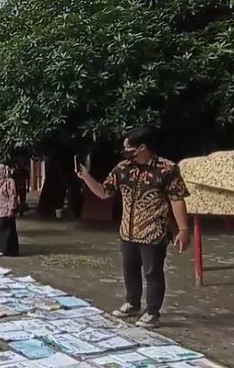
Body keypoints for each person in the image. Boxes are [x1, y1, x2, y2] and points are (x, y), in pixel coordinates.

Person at [77, 125, 190, 329]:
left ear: (141, 148)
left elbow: (177, 199)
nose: (125, 150)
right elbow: (104, 192)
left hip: (153, 231)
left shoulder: (167, 169)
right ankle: (132, 303)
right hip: (127, 230)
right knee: (129, 269)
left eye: (128, 147)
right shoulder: (123, 168)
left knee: (152, 271)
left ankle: (153, 312)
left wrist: (183, 229)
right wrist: (86, 177)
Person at [0, 164, 20, 257]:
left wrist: (12, 208)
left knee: (7, 230)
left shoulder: (10, 182)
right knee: (2, 229)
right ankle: (6, 249)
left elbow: (12, 196)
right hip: (1, 209)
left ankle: (7, 249)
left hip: (8, 209)